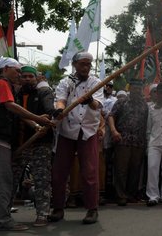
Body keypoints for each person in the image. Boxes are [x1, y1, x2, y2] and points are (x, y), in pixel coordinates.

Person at [0, 58, 53, 231]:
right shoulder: (2, 84)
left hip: (14, 142)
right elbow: (12, 107)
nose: (21, 76)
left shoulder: (36, 92)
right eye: (19, 72)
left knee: (1, 179)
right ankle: (0, 220)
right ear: (6, 69)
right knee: (1, 181)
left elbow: (20, 114)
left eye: (28, 75)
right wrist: (38, 119)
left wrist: (36, 126)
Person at [49, 52, 104, 224]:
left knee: (89, 172)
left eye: (88, 64)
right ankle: (58, 208)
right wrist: (59, 110)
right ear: (75, 64)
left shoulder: (96, 82)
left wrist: (89, 101)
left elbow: (98, 105)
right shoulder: (65, 82)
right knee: (59, 172)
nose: (86, 67)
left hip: (87, 131)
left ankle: (92, 209)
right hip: (67, 130)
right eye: (82, 64)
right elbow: (61, 100)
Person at [11, 65, 56, 227]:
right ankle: (3, 213)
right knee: (12, 179)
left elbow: (50, 110)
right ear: (20, 78)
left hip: (40, 143)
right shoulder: (14, 94)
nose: (28, 79)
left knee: (42, 179)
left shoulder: (44, 93)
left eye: (31, 76)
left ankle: (42, 214)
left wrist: (52, 116)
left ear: (36, 78)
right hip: (18, 144)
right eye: (24, 76)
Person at [108, 79, 149, 206]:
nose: (137, 90)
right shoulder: (121, 101)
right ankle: (120, 195)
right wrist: (114, 131)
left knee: (135, 169)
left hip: (138, 141)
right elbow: (111, 116)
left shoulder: (144, 104)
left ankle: (131, 194)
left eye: (139, 88)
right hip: (123, 139)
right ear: (130, 88)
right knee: (121, 169)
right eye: (135, 88)